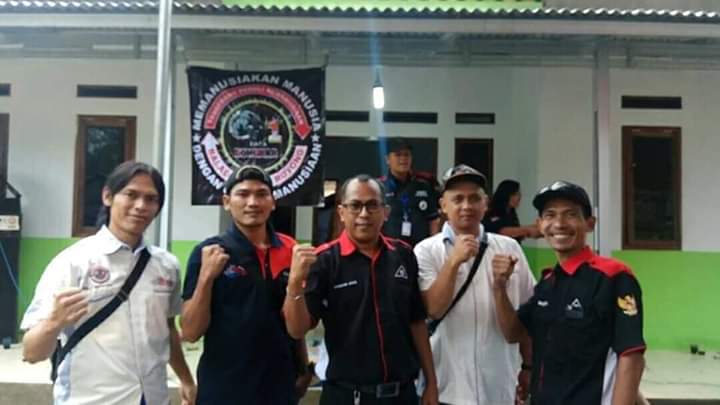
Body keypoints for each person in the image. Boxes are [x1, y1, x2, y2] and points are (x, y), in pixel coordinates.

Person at [20, 161, 196, 405]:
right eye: (131, 195)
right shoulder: (73, 262)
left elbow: (167, 331)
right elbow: (31, 353)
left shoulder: (167, 265)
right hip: (91, 399)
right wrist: (54, 322)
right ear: (107, 196)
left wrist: (186, 379)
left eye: (151, 199)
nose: (140, 206)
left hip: (152, 397)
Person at [283, 174, 440, 405]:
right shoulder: (324, 261)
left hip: (402, 394)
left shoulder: (403, 255)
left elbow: (416, 322)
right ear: (341, 212)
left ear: (385, 212)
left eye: (372, 205)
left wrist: (431, 382)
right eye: (355, 206)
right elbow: (297, 330)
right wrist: (295, 282)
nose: (364, 214)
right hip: (347, 395)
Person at [492, 180, 646, 405]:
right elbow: (513, 333)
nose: (559, 224)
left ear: (590, 224)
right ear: (540, 225)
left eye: (571, 214)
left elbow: (631, 356)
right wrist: (499, 287)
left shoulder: (613, 277)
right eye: (550, 215)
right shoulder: (548, 283)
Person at [181, 165, 313, 405]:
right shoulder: (208, 252)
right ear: (226, 202)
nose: (253, 202)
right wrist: (206, 278)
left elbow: (296, 329)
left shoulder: (290, 250)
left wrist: (303, 367)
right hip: (223, 389)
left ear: (273, 202)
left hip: (278, 387)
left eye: (262, 194)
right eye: (243, 194)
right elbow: (190, 332)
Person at [414, 165, 535, 405]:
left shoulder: (509, 248)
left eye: (474, 198)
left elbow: (528, 318)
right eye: (457, 199)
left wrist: (528, 367)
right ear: (443, 205)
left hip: (500, 387)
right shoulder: (426, 251)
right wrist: (453, 262)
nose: (466, 206)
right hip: (447, 389)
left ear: (485, 203)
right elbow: (434, 309)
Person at [380, 137, 441, 246]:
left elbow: (433, 220)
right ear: (387, 159)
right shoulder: (379, 187)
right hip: (389, 249)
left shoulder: (424, 185)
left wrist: (433, 247)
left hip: (420, 248)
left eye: (406, 155)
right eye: (398, 155)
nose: (403, 159)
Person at [483, 179, 541, 243]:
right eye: (515, 194)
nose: (519, 197)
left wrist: (538, 228)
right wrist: (526, 230)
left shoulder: (511, 213)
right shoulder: (491, 211)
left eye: (519, 194)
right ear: (506, 195)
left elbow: (516, 230)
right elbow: (497, 231)